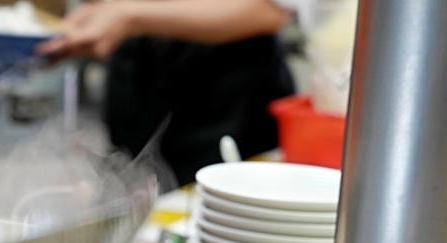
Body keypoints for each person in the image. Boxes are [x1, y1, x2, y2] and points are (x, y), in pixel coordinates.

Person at [38, 0, 300, 188]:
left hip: (226, 82)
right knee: (130, 195)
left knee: (225, 209)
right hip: (136, 64)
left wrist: (127, 14)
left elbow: (270, 9)